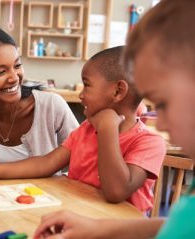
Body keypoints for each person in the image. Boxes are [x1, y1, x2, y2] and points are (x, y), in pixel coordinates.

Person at [33, 0, 195, 238]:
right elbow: (178, 228)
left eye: (163, 102)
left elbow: (117, 190)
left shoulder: (144, 140)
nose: (159, 123)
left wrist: (109, 128)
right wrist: (97, 228)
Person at [0, 45, 166, 214]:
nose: (81, 95)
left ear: (118, 91)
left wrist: (108, 130)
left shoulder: (149, 143)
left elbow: (116, 191)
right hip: (79, 220)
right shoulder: (85, 130)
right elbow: (46, 162)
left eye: (87, 85)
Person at [0, 25, 78, 165]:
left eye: (17, 65)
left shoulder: (51, 105)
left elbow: (81, 154)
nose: (14, 78)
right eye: (1, 72)